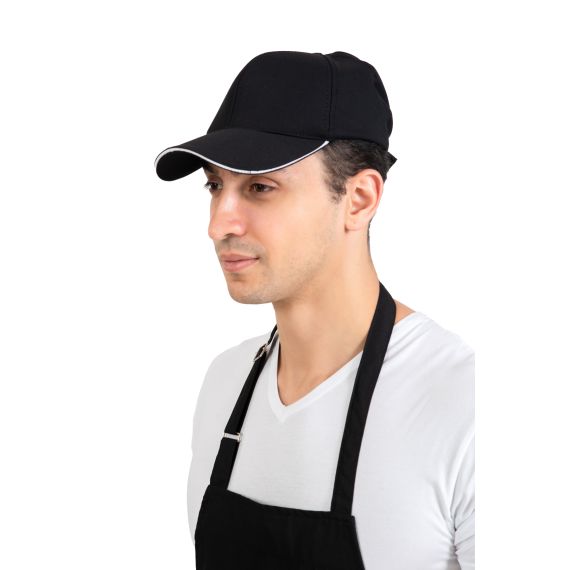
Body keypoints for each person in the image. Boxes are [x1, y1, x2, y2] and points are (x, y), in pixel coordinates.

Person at [154, 50, 475, 570]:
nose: (218, 224)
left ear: (359, 199)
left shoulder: (462, 402)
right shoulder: (226, 383)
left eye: (260, 187)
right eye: (215, 186)